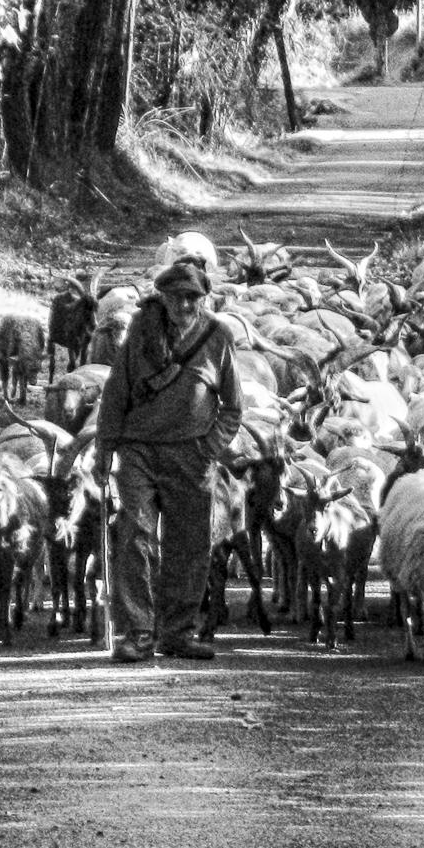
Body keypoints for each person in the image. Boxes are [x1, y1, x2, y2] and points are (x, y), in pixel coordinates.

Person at [91, 257, 243, 662]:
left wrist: (210, 447)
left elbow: (232, 408)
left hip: (192, 456)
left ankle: (177, 632)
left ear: (204, 299)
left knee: (190, 544)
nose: (186, 305)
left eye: (193, 297)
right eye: (178, 297)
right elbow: (116, 391)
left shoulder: (217, 337)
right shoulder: (141, 332)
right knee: (134, 535)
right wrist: (105, 449)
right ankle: (139, 633)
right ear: (164, 297)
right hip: (139, 449)